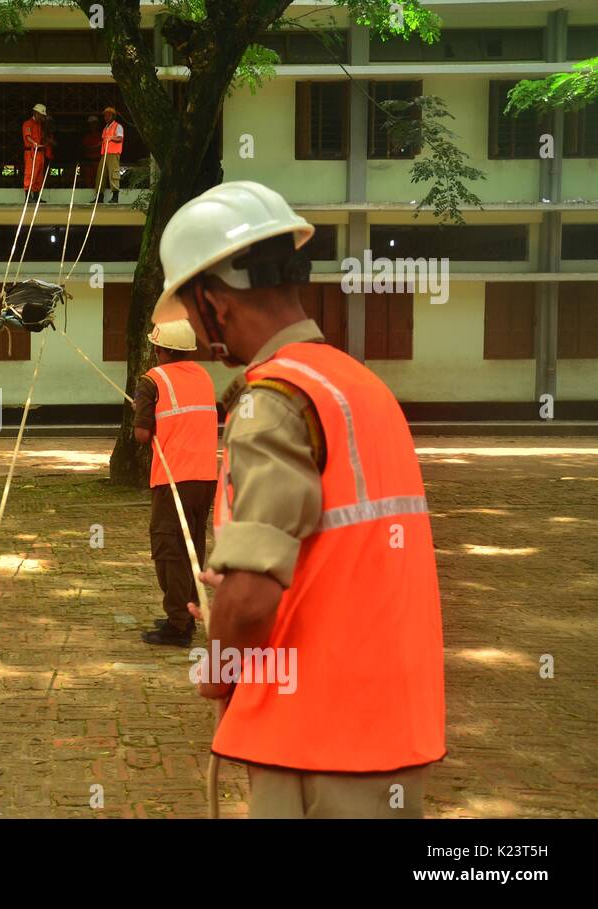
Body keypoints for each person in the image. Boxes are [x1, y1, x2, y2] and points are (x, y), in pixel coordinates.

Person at [158, 180, 445, 818]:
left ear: (213, 301)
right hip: (389, 727)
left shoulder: (273, 401)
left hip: (318, 739)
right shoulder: (358, 385)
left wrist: (217, 664)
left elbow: (252, 597)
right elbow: (345, 550)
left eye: (189, 306)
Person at [132, 314, 218, 647]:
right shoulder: (204, 377)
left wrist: (141, 411)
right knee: (192, 547)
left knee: (168, 549)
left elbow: (142, 434)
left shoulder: (151, 381)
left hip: (173, 477)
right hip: (204, 478)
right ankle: (187, 613)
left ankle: (179, 625)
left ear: (161, 349)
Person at [22, 103, 54, 193]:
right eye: (41, 115)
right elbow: (27, 136)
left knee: (39, 174)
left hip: (40, 152)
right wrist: (34, 143)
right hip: (31, 152)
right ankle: (28, 196)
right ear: (36, 113)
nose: (42, 117)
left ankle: (36, 196)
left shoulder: (40, 125)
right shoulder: (27, 123)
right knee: (30, 173)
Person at [98, 106, 125, 203]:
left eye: (108, 115)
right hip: (104, 154)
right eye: (105, 116)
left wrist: (111, 138)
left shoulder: (118, 126)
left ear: (113, 116)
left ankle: (115, 197)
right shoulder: (105, 128)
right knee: (101, 174)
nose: (106, 117)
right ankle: (99, 197)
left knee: (113, 174)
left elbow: (120, 138)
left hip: (113, 154)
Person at [80, 115, 102, 189]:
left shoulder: (102, 136)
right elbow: (84, 149)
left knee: (99, 180)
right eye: (91, 124)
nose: (92, 126)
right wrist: (95, 147)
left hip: (99, 162)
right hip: (89, 163)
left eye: (94, 123)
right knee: (89, 181)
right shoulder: (86, 137)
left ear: (97, 124)